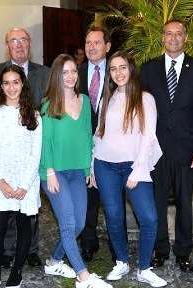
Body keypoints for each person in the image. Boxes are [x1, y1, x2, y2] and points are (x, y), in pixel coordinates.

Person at [141, 19, 193, 272]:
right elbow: (141, 110)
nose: (173, 38)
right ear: (162, 37)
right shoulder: (148, 69)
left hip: (187, 150)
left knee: (184, 203)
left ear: (186, 38)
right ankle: (159, 251)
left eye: (178, 34)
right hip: (156, 150)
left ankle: (183, 252)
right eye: (168, 34)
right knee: (157, 202)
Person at [40, 54, 113, 288]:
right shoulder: (49, 104)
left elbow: (87, 137)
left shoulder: (84, 100)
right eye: (65, 73)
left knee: (79, 224)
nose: (70, 76)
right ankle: (83, 276)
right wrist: (49, 171)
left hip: (77, 171)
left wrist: (89, 167)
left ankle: (53, 261)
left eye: (73, 71)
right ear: (57, 77)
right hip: (54, 172)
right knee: (68, 223)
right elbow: (45, 143)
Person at [93, 52, 167, 288]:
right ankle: (121, 261)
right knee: (114, 217)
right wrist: (92, 166)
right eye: (113, 69)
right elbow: (99, 134)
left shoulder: (145, 99)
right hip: (105, 165)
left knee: (150, 218)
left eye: (122, 67)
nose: (118, 72)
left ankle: (144, 268)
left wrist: (138, 170)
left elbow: (148, 136)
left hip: (134, 167)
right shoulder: (107, 98)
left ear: (131, 69)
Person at [0, 27, 50, 268]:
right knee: (4, 207)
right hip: (4, 147)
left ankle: (30, 250)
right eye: (14, 41)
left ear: (30, 43)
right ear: (7, 45)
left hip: (33, 140)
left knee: (29, 204)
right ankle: (8, 250)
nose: (19, 45)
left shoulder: (46, 73)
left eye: (23, 40)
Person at [0, 65, 42, 288]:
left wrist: (24, 184)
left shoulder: (34, 115)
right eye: (6, 83)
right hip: (0, 180)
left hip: (26, 179)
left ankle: (17, 270)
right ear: (1, 86)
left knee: (24, 225)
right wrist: (1, 181)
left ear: (23, 84)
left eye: (16, 82)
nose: (11, 87)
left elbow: (36, 152)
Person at [78, 26, 117, 262]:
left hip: (112, 146)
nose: (91, 47)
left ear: (107, 46)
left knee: (113, 200)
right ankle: (88, 243)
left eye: (96, 42)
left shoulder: (118, 72)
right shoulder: (76, 72)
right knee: (87, 199)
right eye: (88, 43)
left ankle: (116, 246)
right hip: (83, 145)